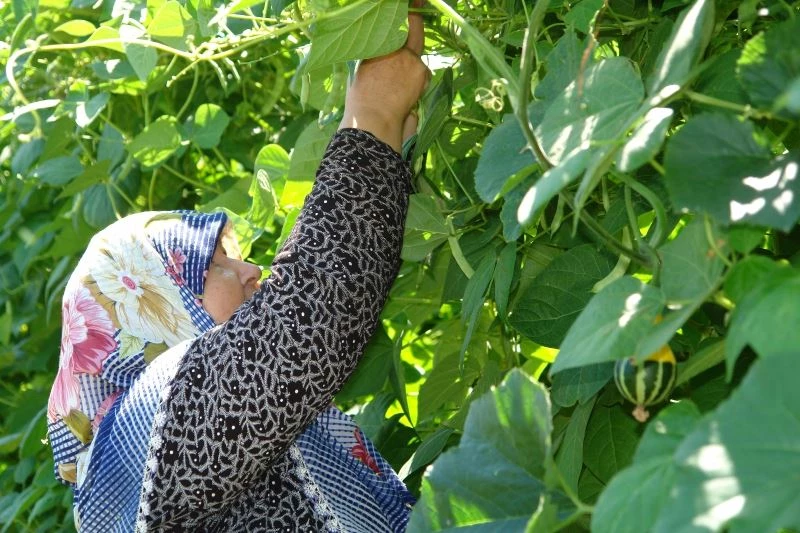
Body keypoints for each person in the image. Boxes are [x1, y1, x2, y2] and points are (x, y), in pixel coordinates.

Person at [46, 3, 429, 530]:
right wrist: (372, 120)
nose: (252, 270)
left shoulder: (134, 477)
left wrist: (387, 99)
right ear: (149, 312)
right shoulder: (149, 438)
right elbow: (304, 327)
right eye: (208, 268)